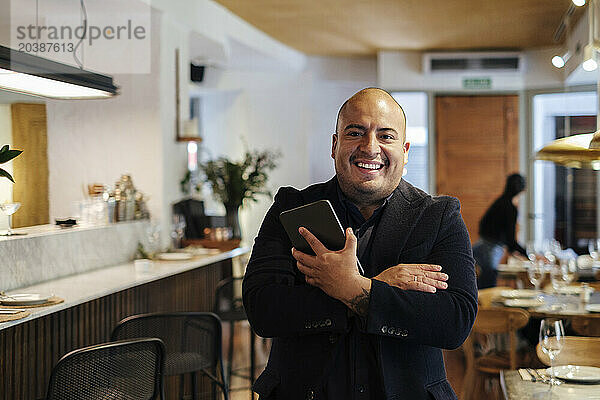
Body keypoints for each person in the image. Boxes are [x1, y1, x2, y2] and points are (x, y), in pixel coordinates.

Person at [242, 88, 478, 400]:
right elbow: (263, 308)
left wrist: (354, 288)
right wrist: (377, 287)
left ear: (405, 150)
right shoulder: (292, 209)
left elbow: (454, 320)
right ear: (334, 144)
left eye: (386, 136)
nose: (370, 147)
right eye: (356, 132)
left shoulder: (439, 216)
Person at [473, 173, 527, 289]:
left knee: (481, 282)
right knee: (489, 284)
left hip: (482, 243)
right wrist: (527, 254)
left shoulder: (499, 202)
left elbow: (483, 223)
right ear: (522, 190)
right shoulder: (511, 208)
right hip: (492, 248)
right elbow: (511, 241)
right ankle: (485, 307)